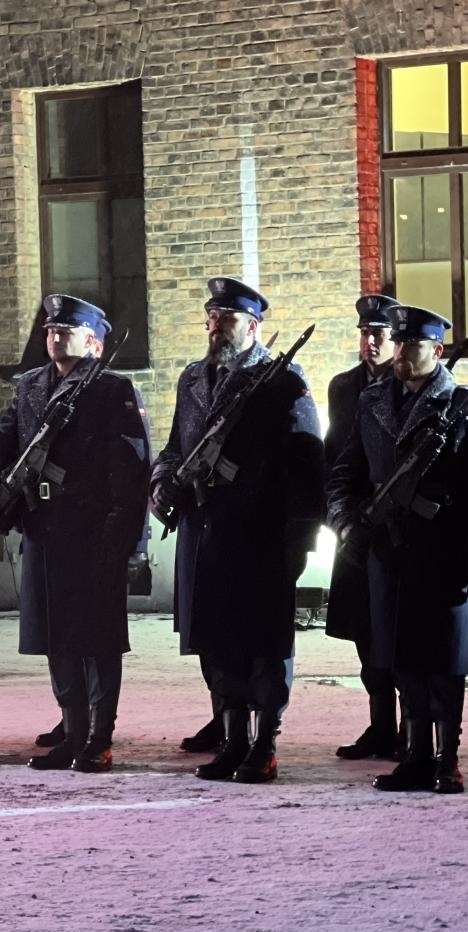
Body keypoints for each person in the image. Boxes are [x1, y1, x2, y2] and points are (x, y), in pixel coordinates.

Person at [151, 277, 324, 783]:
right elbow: (174, 448)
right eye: (211, 317)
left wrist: (299, 537)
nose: (215, 327)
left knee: (265, 646)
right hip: (206, 534)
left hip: (259, 537)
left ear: (252, 326)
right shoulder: (192, 380)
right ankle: (232, 740)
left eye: (226, 319)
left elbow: (307, 465)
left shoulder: (282, 381)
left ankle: (264, 743)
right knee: (217, 642)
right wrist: (163, 485)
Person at [327, 305, 468, 794]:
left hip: (444, 553)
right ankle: (415, 754)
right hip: (390, 551)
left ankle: (447, 759)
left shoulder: (464, 404)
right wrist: (346, 518)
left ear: (437, 350)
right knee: (402, 660)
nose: (402, 353)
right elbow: (347, 470)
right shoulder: (372, 400)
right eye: (399, 344)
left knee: (445, 663)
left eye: (412, 345)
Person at [0, 294, 151, 772]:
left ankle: (100, 736)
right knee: (56, 637)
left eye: (65, 329)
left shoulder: (112, 389)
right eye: (50, 329)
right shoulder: (31, 386)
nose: (54, 336)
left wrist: (124, 539)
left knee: (96, 640)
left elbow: (131, 467)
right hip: (44, 529)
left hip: (93, 533)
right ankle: (72, 733)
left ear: (93, 340)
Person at [325, 293, 404, 760]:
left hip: (391, 525)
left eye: (379, 334)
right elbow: (334, 454)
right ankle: (380, 723)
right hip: (352, 523)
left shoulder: (404, 385)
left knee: (394, 628)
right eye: (365, 333)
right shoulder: (342, 387)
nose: (370, 342)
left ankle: (404, 728)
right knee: (361, 628)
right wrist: (337, 515)